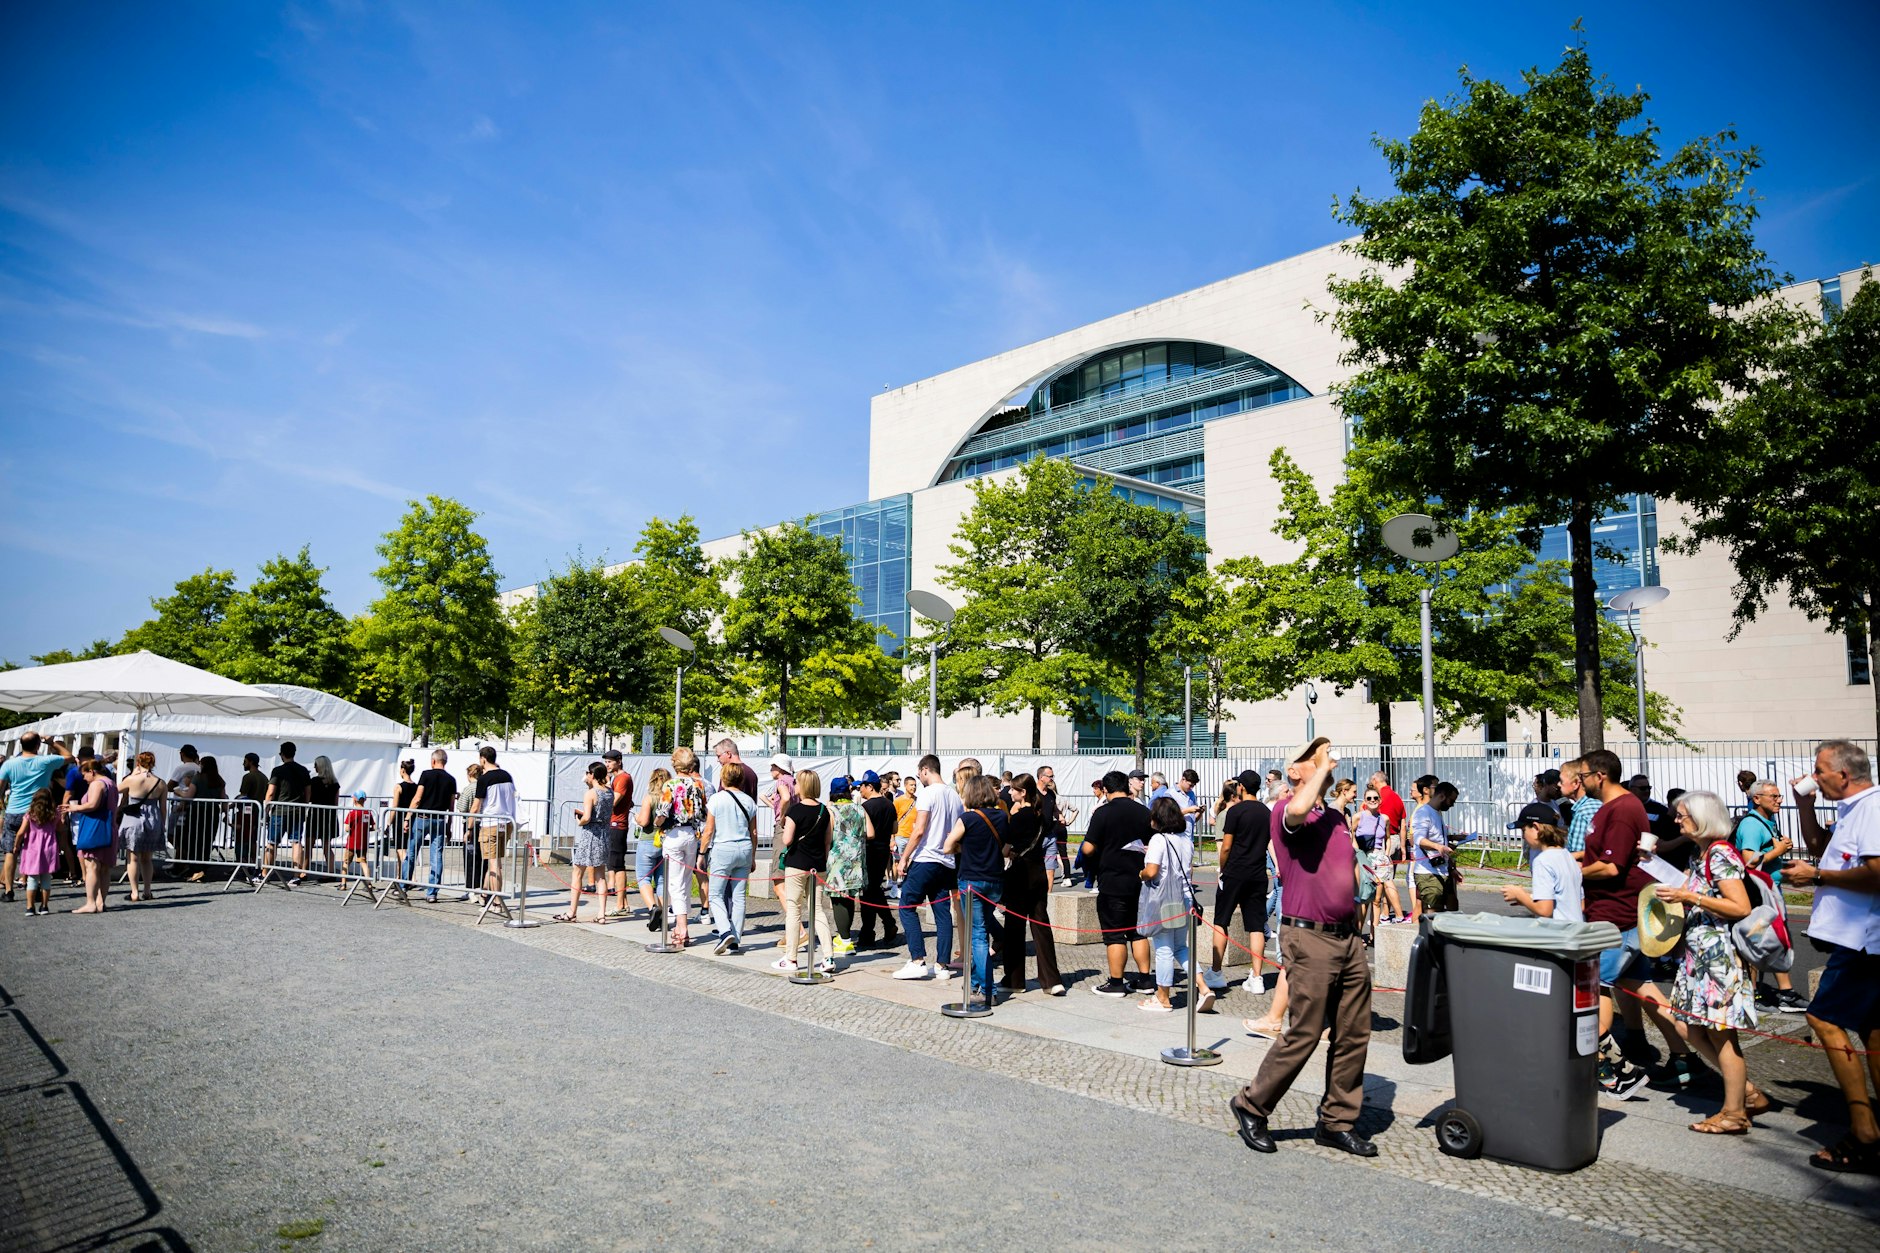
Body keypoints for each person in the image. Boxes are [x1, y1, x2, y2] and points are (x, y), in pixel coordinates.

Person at [1229, 738, 1376, 1159]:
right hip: (1308, 936)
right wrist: (1323, 769)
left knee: (1354, 1032)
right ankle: (1252, 1105)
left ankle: (1336, 1121)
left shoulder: (1334, 818)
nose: (1327, 762)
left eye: (1327, 756)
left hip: (1346, 936)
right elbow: (1297, 809)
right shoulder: (1285, 811)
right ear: (1294, 771)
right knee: (1305, 1031)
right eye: (1316, 757)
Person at [1654, 789, 1773, 1135]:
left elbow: (1740, 907)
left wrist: (1688, 896)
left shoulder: (1720, 852)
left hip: (1718, 959)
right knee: (1689, 1027)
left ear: (1702, 818)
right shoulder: (1701, 853)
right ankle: (1746, 1092)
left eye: (1682, 815)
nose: (1677, 820)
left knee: (1722, 1037)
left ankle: (1735, 1113)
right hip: (1699, 958)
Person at [1785, 739, 1880, 1174]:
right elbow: (1819, 847)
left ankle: (1865, 1133)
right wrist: (1804, 806)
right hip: (1859, 939)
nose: (1814, 775)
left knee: (1822, 1017)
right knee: (1872, 1028)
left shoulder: (1872, 809)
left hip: (1866, 939)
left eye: (1819, 769)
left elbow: (1877, 874)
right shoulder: (1852, 809)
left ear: (1843, 774)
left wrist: (1818, 876)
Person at [1578, 748, 1695, 1097]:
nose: (1581, 781)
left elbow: (1611, 866)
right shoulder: (1616, 807)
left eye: (1583, 775)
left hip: (1617, 917)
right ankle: (1684, 1060)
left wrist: (1572, 872)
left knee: (1592, 987)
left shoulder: (1623, 809)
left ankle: (1610, 1068)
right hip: (1623, 914)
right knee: (1645, 989)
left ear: (1600, 775)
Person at [1733, 778, 1807, 1013]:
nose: (1779, 801)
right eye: (1773, 797)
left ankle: (1785, 993)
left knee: (1775, 939)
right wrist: (1779, 850)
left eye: (1779, 796)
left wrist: (1781, 848)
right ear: (1757, 799)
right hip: (1759, 894)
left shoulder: (1768, 821)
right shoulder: (1751, 825)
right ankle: (1752, 993)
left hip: (1770, 890)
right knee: (1758, 940)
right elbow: (1749, 862)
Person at [1082, 770, 1153, 997]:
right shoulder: (1143, 811)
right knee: (1138, 932)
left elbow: (1088, 848)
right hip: (1139, 878)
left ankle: (1116, 982)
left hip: (1112, 879)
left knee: (1114, 934)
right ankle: (1145, 980)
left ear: (1105, 789)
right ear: (1127, 786)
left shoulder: (1103, 813)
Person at [1138, 795, 1209, 1014]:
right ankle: (1204, 988)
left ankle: (1163, 998)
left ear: (1158, 818)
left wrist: (1141, 873)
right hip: (1185, 898)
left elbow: (1152, 871)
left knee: (1164, 949)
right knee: (1180, 947)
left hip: (1165, 901)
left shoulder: (1159, 840)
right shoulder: (1185, 840)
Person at [893, 755, 961, 981]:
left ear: (925, 770)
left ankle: (917, 960)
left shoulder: (927, 793)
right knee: (943, 913)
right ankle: (942, 964)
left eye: (919, 774)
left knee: (907, 906)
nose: (919, 779)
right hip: (947, 861)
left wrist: (904, 858)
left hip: (926, 858)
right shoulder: (954, 796)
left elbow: (920, 829)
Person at [943, 773, 1009, 1008]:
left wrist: (965, 847)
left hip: (972, 881)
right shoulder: (1001, 816)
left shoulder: (968, 818)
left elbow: (947, 846)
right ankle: (975, 983)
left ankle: (987, 989)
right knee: (983, 929)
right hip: (995, 880)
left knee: (978, 936)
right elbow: (1006, 849)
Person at [999, 772, 1062, 995]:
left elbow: (1006, 848)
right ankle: (1052, 980)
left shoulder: (1018, 818)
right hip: (1039, 872)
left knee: (1014, 927)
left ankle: (1014, 980)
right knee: (1041, 925)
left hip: (1020, 873)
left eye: (1013, 789)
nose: (1009, 792)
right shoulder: (1040, 816)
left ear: (1023, 792)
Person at [1209, 771, 1272, 994]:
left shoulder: (1235, 811)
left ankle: (1216, 972)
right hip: (1257, 872)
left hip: (1235, 871)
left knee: (1221, 920)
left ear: (1242, 787)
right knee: (1256, 925)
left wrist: (1223, 868)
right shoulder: (1266, 812)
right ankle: (1257, 977)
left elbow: (1226, 846)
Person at [774, 768, 836, 973]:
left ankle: (791, 958)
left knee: (794, 909)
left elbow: (787, 840)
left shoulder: (795, 810)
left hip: (797, 864)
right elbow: (828, 841)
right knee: (817, 910)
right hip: (818, 866)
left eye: (797, 783)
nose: (795, 786)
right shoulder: (824, 811)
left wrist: (785, 824)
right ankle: (828, 957)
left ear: (802, 786)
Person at [1, 732, 72, 902]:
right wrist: (52, 743)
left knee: (10, 851)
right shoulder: (45, 761)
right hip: (38, 811)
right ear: (38, 745)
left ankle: (9, 890)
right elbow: (69, 757)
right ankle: (38, 887)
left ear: (21, 744)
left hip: (14, 810)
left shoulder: (9, 764)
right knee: (38, 848)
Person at [654, 748, 711, 948]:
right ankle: (681, 925)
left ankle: (682, 928)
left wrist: (656, 823)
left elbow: (663, 812)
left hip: (674, 834)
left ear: (675, 763)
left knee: (675, 883)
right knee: (685, 881)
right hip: (692, 834)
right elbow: (703, 812)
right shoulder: (699, 784)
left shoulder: (670, 785)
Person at [703, 762, 758, 955]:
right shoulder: (749, 801)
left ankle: (725, 931)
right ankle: (736, 938)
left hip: (723, 848)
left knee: (715, 894)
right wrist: (753, 856)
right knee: (739, 896)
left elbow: (709, 830)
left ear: (723, 778)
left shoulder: (717, 799)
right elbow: (754, 832)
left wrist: (702, 853)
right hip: (744, 848)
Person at [1499, 803, 1584, 923]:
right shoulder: (1568, 856)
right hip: (1576, 929)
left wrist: (1519, 895)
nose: (1523, 837)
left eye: (1523, 830)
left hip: (1557, 931)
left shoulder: (1542, 861)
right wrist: (1528, 899)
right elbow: (1580, 904)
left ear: (1536, 827)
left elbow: (1545, 910)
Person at [401, 749, 458, 904]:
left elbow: (417, 799)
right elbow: (451, 806)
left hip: (422, 818)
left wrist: (407, 817)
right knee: (436, 856)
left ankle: (403, 885)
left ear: (433, 761)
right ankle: (432, 892)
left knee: (412, 852)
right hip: (439, 819)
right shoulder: (451, 780)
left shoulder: (426, 775)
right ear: (445, 761)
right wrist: (449, 826)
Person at [62, 756, 118, 914]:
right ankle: (101, 902)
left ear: (92, 772)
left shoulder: (97, 784)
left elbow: (93, 804)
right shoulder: (111, 783)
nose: (84, 779)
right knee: (105, 868)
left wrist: (74, 808)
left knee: (91, 866)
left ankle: (91, 903)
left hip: (95, 827)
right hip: (109, 827)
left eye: (85, 774)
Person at [559, 762, 612, 923]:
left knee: (577, 872)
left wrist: (579, 821)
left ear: (592, 775)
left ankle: (572, 911)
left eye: (588, 773)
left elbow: (587, 817)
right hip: (604, 833)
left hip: (590, 835)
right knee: (600, 875)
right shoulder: (610, 792)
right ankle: (601, 913)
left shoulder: (591, 793)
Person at [823, 776, 868, 955]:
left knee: (838, 899)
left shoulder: (831, 810)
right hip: (856, 859)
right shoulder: (859, 808)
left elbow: (828, 839)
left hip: (838, 859)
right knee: (850, 897)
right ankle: (845, 936)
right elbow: (870, 833)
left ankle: (844, 940)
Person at [855, 772, 900, 949]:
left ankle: (869, 933)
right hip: (883, 852)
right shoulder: (889, 804)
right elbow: (894, 828)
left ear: (870, 787)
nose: (860, 790)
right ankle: (886, 925)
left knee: (868, 893)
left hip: (869, 851)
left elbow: (862, 831)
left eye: (862, 786)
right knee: (874, 890)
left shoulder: (865, 807)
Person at [118, 750, 167, 903]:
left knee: (132, 858)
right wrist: (162, 825)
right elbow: (163, 808)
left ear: (138, 763)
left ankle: (134, 892)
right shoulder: (161, 783)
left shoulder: (131, 780)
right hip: (153, 820)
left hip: (134, 819)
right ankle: (147, 890)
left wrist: (133, 774)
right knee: (147, 859)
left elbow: (115, 790)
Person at [471, 746, 517, 908]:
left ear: (483, 759)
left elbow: (476, 806)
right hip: (506, 822)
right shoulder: (507, 775)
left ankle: (497, 901)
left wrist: (469, 827)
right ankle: (484, 892)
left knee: (493, 864)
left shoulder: (484, 779)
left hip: (490, 823)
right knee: (495, 861)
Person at [262, 742, 312, 888]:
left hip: (279, 811)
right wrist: (304, 805)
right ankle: (296, 875)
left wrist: (266, 809)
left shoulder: (278, 770)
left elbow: (271, 792)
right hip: (297, 810)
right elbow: (308, 792)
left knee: (272, 842)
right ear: (294, 753)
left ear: (282, 754)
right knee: (296, 842)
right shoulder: (303, 770)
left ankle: (265, 873)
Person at [1354, 784, 1402, 927]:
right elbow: (1351, 836)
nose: (1372, 800)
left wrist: (1386, 854)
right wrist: (1358, 854)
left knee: (1376, 900)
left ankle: (1374, 933)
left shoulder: (1384, 819)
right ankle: (1359, 932)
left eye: (1375, 798)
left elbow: (1388, 837)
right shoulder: (1358, 817)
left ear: (1380, 800)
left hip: (1379, 859)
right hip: (1364, 860)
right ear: (1365, 800)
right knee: (1364, 898)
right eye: (1369, 798)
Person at [1410, 781, 1459, 915]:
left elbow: (1437, 838)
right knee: (1432, 914)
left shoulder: (1437, 813)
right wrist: (1438, 847)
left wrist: (1451, 865)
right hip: (1428, 873)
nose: (1452, 805)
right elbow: (1419, 840)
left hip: (1443, 871)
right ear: (1442, 796)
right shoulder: (1423, 813)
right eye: (1451, 801)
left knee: (1453, 909)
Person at [635, 767, 671, 930]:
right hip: (664, 841)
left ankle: (652, 908)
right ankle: (664, 917)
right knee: (662, 880)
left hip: (648, 840)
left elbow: (644, 821)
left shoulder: (649, 798)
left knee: (644, 878)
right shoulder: (669, 797)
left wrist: (636, 818)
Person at [18, 786, 61, 915]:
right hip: (49, 848)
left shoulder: (30, 815)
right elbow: (60, 828)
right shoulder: (54, 814)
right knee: (46, 879)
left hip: (32, 850)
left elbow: (21, 832)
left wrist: (16, 844)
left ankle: (30, 907)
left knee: (32, 879)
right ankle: (44, 906)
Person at [183, 755, 227, 882]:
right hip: (213, 812)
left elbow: (189, 796)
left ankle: (195, 869)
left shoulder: (198, 778)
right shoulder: (219, 780)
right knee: (207, 841)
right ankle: (203, 868)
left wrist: (180, 793)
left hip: (197, 811)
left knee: (194, 840)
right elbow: (223, 798)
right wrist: (226, 813)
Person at [305, 754, 342, 886]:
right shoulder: (335, 783)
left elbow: (309, 798)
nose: (314, 767)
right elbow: (336, 803)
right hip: (329, 816)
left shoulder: (314, 781)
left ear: (320, 766)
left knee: (309, 844)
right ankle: (330, 872)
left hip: (316, 815)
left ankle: (304, 871)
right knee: (327, 846)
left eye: (316, 765)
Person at [165, 743, 201, 876]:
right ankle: (181, 859)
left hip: (180, 805)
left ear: (182, 754)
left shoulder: (181, 768)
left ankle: (181, 859)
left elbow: (169, 786)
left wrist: (176, 789)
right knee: (185, 834)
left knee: (172, 833)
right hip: (193, 805)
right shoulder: (198, 768)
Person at [235, 752, 268, 882]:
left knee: (243, 840)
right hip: (258, 812)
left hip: (247, 813)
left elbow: (243, 796)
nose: (243, 763)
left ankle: (243, 866)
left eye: (245, 761)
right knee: (254, 840)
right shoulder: (264, 777)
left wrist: (232, 804)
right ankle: (254, 864)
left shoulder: (248, 777)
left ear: (251, 762)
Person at [383, 758, 417, 883]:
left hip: (400, 819)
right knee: (404, 848)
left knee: (400, 849)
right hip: (412, 818)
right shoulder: (416, 787)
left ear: (402, 770)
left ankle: (411, 877)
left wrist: (388, 823)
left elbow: (394, 807)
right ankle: (399, 875)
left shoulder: (398, 787)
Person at [1559, 756, 1600, 855]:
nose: (1558, 784)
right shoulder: (1597, 804)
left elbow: (1577, 856)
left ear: (1576, 783)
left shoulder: (1582, 813)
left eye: (1561, 781)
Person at [340, 791, 375, 889]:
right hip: (363, 843)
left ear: (354, 800)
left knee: (346, 862)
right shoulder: (368, 812)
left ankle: (343, 884)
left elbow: (347, 828)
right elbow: (373, 826)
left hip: (352, 842)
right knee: (363, 862)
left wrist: (352, 828)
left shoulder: (352, 813)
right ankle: (369, 883)